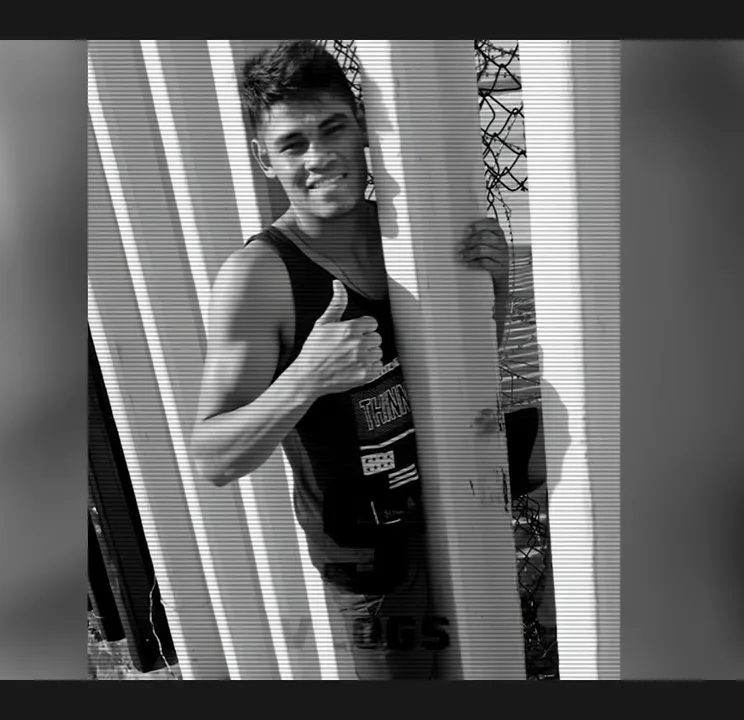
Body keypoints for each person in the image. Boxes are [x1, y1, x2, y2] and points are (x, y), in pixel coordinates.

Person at [188, 40, 544, 680]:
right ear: (265, 161)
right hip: (373, 562)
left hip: (456, 500)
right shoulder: (260, 276)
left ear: (362, 128)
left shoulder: (417, 236)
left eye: (333, 129)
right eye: (293, 144)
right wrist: (304, 379)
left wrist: (493, 296)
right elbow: (213, 457)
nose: (319, 156)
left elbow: (457, 381)